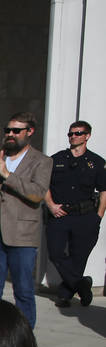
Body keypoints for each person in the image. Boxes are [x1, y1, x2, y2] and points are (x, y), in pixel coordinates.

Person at [0, 112, 52, 326]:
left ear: (29, 132)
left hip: (22, 235)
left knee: (23, 290)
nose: (10, 134)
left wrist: (7, 174)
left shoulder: (42, 161)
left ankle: (24, 336)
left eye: (16, 131)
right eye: (7, 130)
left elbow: (37, 193)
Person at [44, 120, 106, 307]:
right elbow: (44, 185)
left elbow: (104, 191)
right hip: (59, 215)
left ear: (87, 136)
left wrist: (98, 217)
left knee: (79, 257)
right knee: (55, 253)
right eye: (71, 134)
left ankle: (65, 294)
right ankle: (81, 283)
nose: (73, 137)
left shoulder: (97, 162)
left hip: (86, 217)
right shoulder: (56, 159)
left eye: (78, 133)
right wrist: (51, 205)